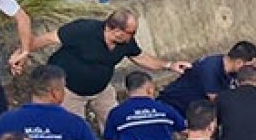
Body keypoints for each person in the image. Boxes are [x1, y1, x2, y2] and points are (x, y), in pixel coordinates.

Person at [32, 9, 190, 130]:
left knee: (115, 123)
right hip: (70, 91)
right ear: (116, 31)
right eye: (131, 32)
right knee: (75, 129)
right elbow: (48, 38)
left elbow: (140, 57)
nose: (133, 36)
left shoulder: (126, 42)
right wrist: (23, 52)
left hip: (101, 89)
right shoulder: (83, 30)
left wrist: (169, 65)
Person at [158, 40, 256, 114]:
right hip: (174, 107)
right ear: (239, 62)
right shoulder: (210, 69)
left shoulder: (233, 71)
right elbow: (218, 101)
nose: (252, 70)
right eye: (251, 65)